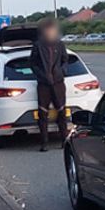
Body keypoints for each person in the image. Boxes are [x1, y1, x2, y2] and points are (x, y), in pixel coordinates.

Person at [30, 17, 69, 152]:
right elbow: (33, 63)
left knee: (62, 112)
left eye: (52, 29)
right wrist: (41, 75)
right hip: (43, 84)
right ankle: (44, 142)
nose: (50, 32)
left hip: (58, 83)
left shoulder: (60, 44)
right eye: (48, 30)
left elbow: (65, 60)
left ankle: (65, 140)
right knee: (42, 113)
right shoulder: (38, 45)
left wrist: (61, 72)